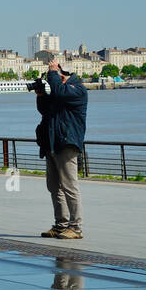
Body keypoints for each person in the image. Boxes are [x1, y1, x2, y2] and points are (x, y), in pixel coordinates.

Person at [37, 58, 88, 240]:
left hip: (67, 143)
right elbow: (45, 111)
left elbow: (59, 92)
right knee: (54, 186)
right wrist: (41, 95)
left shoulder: (78, 90)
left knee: (69, 186)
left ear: (63, 76)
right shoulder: (59, 92)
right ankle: (61, 225)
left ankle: (76, 227)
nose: (53, 81)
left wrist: (51, 73)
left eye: (56, 77)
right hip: (52, 142)